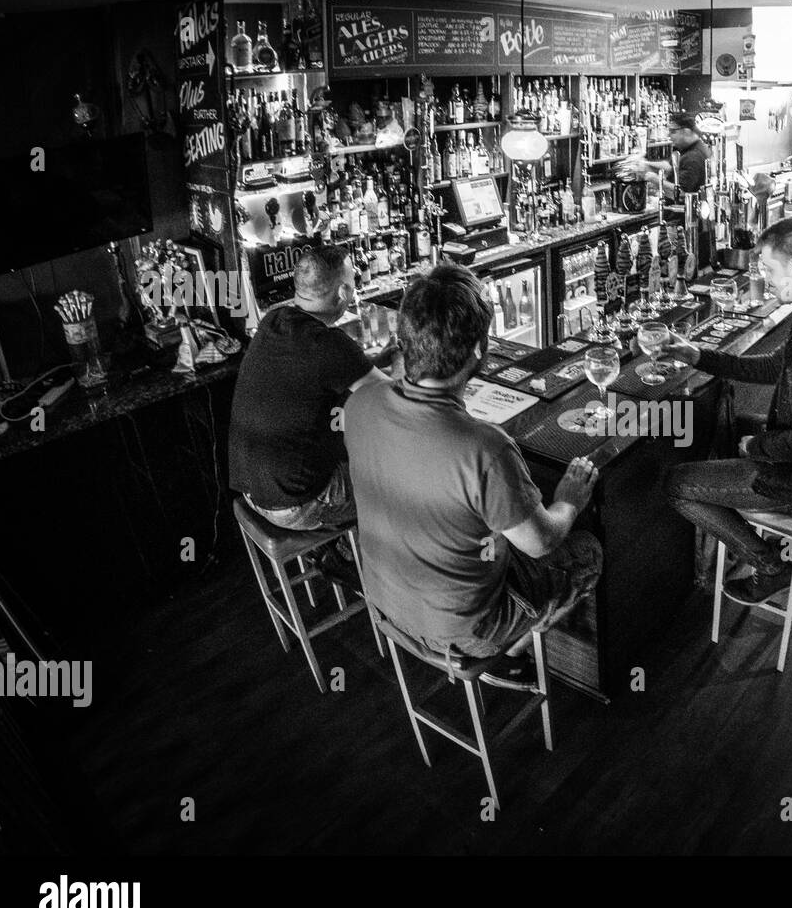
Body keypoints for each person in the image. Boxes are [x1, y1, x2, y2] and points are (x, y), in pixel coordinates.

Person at [345, 263, 601, 677]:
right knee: (586, 552)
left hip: (382, 601)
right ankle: (513, 649)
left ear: (404, 339)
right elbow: (541, 543)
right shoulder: (485, 448)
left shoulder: (359, 405)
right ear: (481, 349)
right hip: (464, 631)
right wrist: (568, 502)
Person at [657, 217, 792, 604]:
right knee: (734, 426)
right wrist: (697, 355)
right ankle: (786, 533)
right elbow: (770, 367)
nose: (767, 280)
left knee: (677, 485)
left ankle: (769, 564)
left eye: (770, 270)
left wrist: (754, 447)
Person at [229, 245, 389, 534]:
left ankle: (341, 552)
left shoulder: (271, 322)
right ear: (343, 293)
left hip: (252, 493)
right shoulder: (329, 343)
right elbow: (392, 398)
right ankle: (363, 565)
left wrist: (375, 362)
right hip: (298, 504)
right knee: (403, 480)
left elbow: (329, 373)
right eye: (353, 284)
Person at [638, 111, 710, 197]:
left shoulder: (693, 157)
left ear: (686, 131)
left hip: (684, 209)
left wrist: (653, 178)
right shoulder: (689, 148)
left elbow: (681, 193)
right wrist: (645, 163)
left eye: (673, 131)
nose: (669, 134)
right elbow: (669, 167)